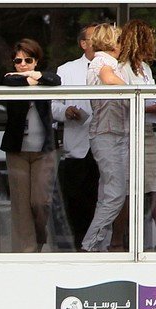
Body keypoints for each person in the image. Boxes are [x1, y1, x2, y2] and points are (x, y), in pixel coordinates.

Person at [0, 39, 61, 253]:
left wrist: (38, 76)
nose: (23, 64)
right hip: (17, 150)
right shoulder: (10, 79)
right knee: (20, 205)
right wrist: (30, 79)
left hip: (44, 150)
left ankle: (40, 238)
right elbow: (9, 82)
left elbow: (56, 80)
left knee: (40, 202)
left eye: (28, 60)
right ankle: (27, 250)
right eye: (18, 60)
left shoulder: (45, 78)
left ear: (36, 60)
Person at [117, 20, 156, 252]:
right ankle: (118, 242)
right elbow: (123, 102)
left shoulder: (145, 68)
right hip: (127, 134)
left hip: (147, 132)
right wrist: (152, 107)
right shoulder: (120, 68)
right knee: (127, 191)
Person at [80, 23, 128, 253]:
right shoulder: (102, 61)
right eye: (119, 40)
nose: (122, 45)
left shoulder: (106, 62)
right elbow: (109, 80)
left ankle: (99, 245)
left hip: (113, 134)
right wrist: (134, 90)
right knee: (115, 194)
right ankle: (90, 246)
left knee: (109, 193)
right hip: (107, 135)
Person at [52, 24, 100, 250]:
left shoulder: (116, 68)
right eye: (94, 38)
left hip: (108, 148)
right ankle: (79, 252)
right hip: (77, 148)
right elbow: (52, 106)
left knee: (106, 204)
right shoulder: (67, 70)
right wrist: (66, 111)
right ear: (83, 43)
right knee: (77, 207)